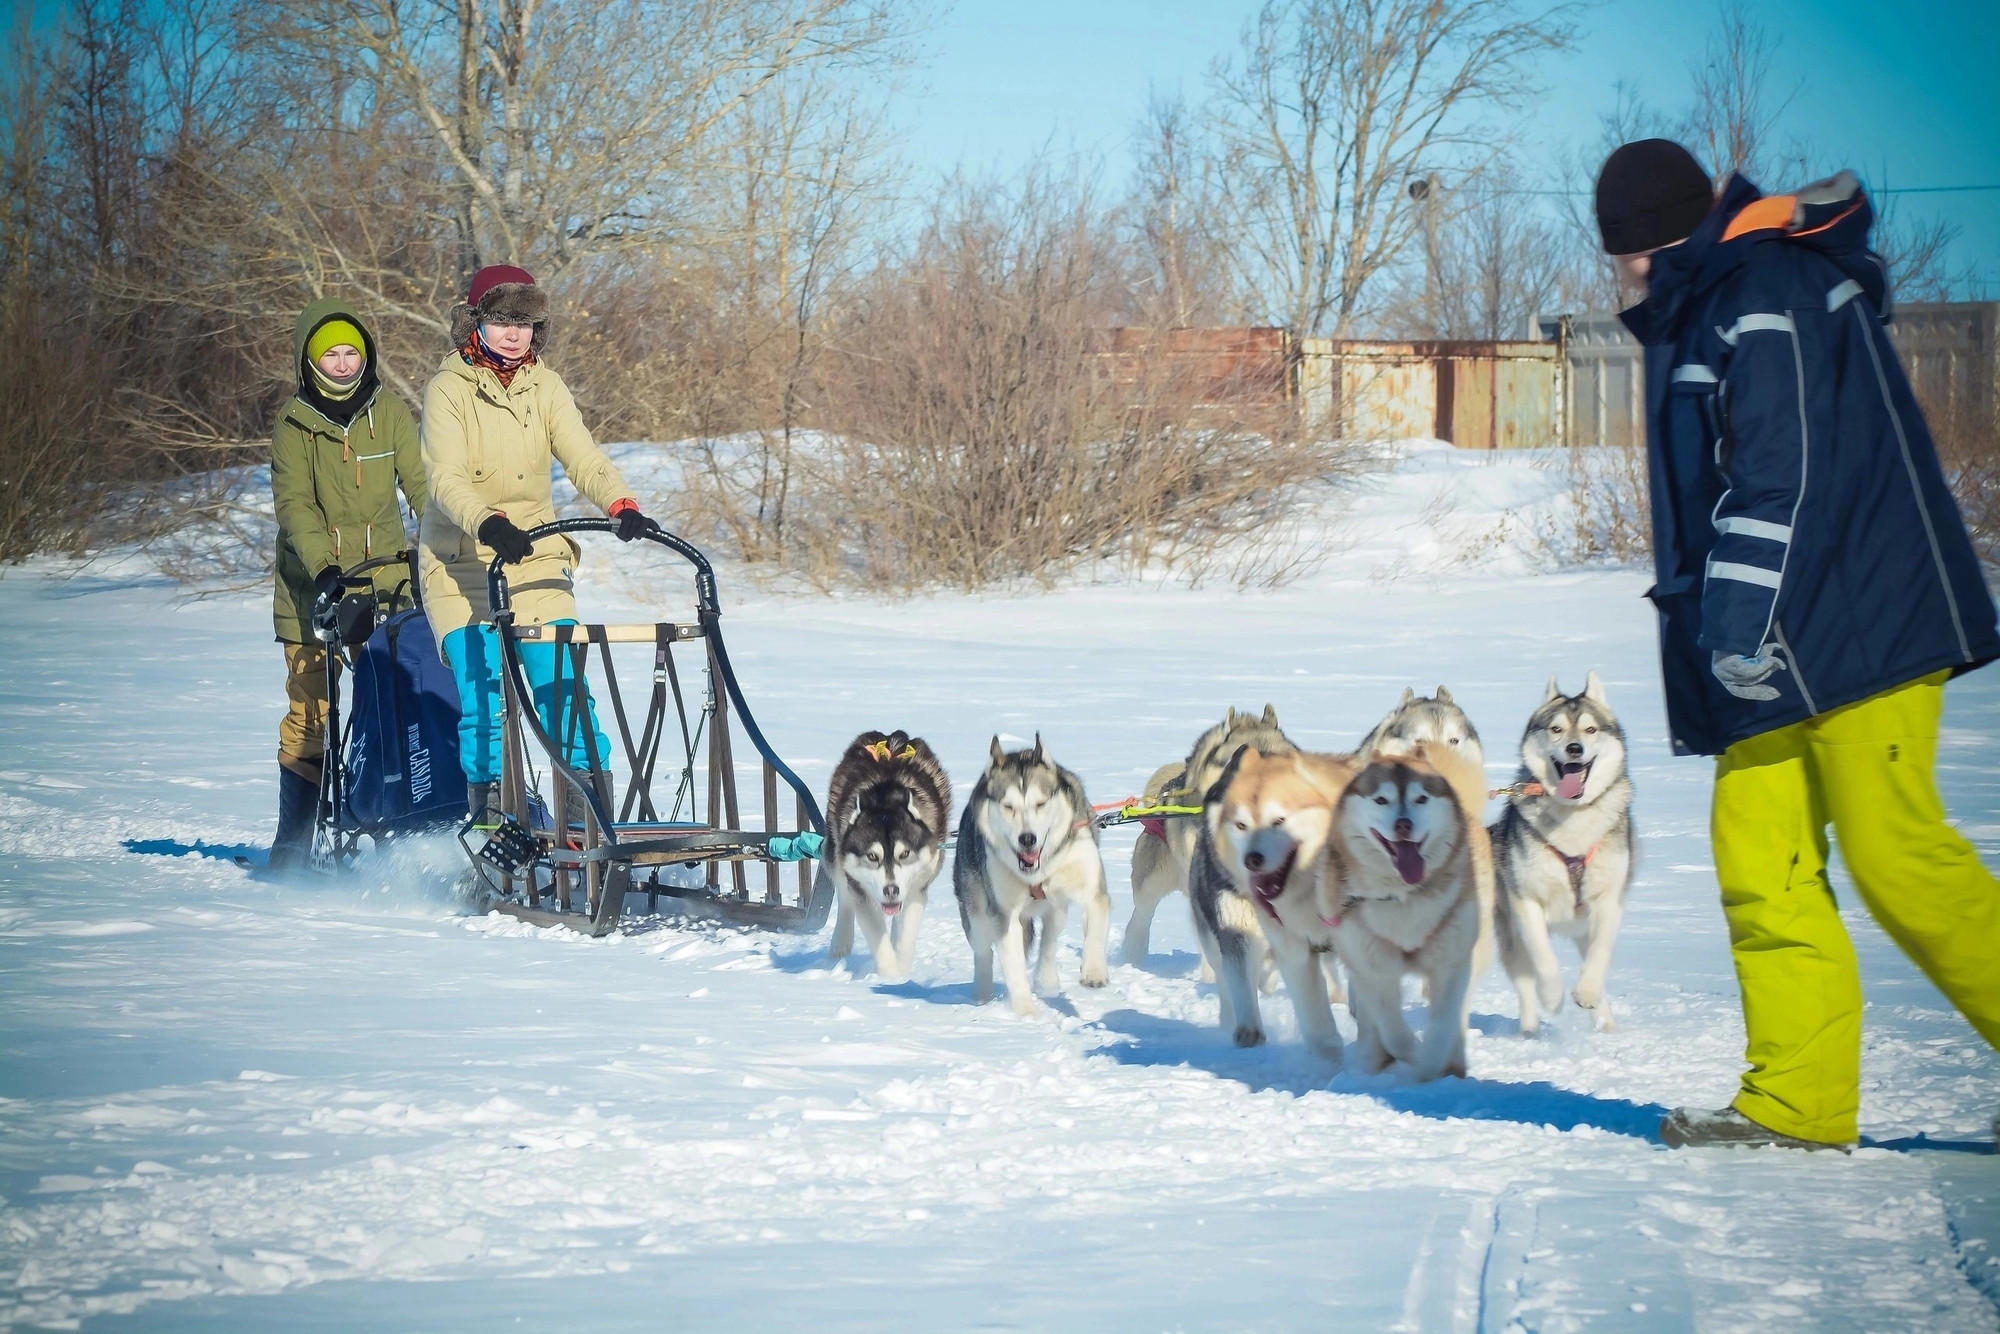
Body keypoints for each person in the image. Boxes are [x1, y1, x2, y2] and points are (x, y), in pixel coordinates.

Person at [1596, 139, 2000, 1149]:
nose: (1617, 275)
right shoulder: (1709, 297)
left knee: (1894, 854)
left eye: (1619, 253)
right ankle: (1798, 1097)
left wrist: (1729, 621)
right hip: (1778, 642)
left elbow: (1784, 472)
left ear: (1648, 240)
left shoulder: (1758, 286)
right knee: (1757, 856)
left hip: (1860, 625)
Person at [417, 264, 661, 814]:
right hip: (462, 563)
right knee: (485, 705)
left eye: (524, 323)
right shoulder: (447, 388)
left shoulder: (545, 385)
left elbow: (583, 455)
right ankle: (492, 823)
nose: (513, 333)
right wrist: (486, 520)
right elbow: (444, 477)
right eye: (502, 320)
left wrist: (621, 502)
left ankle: (587, 828)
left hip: (533, 556)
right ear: (476, 321)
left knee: (565, 695)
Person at [269, 299, 428, 870]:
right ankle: (291, 852)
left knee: (397, 704)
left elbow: (420, 484)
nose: (341, 363)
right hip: (314, 588)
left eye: (350, 353)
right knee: (313, 715)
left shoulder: (388, 413)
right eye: (330, 354)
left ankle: (400, 830)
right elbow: (295, 506)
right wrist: (324, 568)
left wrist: (443, 543)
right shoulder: (293, 424)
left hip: (386, 585)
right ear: (309, 361)